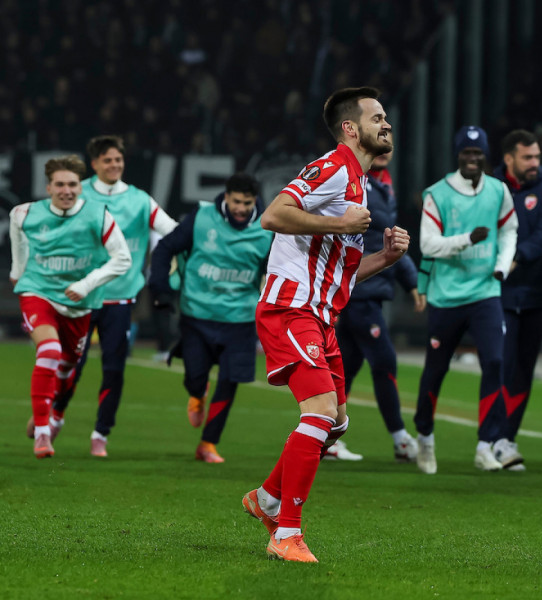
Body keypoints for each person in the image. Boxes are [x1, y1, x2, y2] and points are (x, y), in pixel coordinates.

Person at [240, 87, 409, 563]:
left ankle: (268, 499)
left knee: (335, 424)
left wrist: (385, 256)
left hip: (322, 315)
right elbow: (272, 216)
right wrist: (340, 226)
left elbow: (342, 272)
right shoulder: (334, 166)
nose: (387, 125)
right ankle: (285, 533)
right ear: (351, 129)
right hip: (291, 308)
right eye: (378, 117)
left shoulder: (360, 182)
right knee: (317, 414)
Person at [50, 135, 177, 457]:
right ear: (94, 164)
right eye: (107, 160)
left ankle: (100, 434)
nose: (114, 165)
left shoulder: (139, 200)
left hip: (120, 299)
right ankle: (56, 415)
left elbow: (172, 230)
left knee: (114, 369)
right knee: (70, 365)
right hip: (80, 297)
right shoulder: (77, 193)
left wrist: (193, 241)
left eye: (118, 160)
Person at [413, 125, 518, 474]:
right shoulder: (438, 194)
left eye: (477, 153)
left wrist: (502, 267)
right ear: (457, 156)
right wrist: (467, 239)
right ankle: (425, 438)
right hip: (447, 297)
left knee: (495, 363)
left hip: (486, 292)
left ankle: (485, 445)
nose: (472, 159)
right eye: (466, 153)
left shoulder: (499, 191)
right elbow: (427, 245)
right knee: (436, 370)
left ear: (485, 156)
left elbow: (509, 230)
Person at [149, 173, 274, 463]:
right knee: (195, 377)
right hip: (197, 317)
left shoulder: (267, 227)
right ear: (226, 197)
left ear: (255, 201)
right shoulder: (202, 217)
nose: (241, 208)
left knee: (230, 381)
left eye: (247, 202)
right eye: (236, 201)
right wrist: (161, 288)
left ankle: (208, 444)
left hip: (240, 320)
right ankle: (197, 393)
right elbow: (165, 247)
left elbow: (276, 270)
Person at [11, 155, 131, 458]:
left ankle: (58, 414)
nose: (66, 190)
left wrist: (86, 284)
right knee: (49, 351)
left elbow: (123, 259)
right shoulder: (24, 213)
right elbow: (20, 245)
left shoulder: (97, 215)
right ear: (49, 187)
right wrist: (17, 273)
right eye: (60, 184)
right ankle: (42, 432)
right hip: (38, 292)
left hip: (79, 303)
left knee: (67, 369)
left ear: (81, 187)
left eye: (73, 184)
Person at [335, 150, 424, 462]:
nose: (385, 152)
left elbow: (389, 243)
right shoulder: (356, 185)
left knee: (345, 368)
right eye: (378, 147)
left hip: (362, 290)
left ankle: (326, 436)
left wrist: (412, 283)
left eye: (388, 146)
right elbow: (378, 243)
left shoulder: (383, 187)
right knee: (384, 361)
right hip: (361, 291)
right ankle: (400, 439)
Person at [492, 129, 542, 471]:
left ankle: (506, 439)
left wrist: (514, 256)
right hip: (498, 293)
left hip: (535, 294)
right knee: (501, 365)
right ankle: (490, 437)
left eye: (537, 157)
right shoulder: (492, 188)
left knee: (523, 370)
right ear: (509, 159)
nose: (535, 163)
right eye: (528, 158)